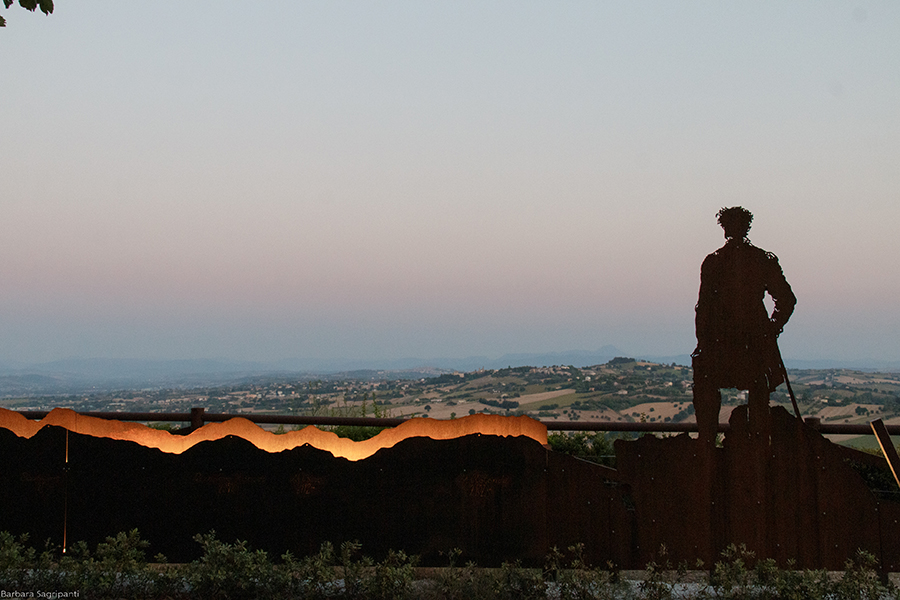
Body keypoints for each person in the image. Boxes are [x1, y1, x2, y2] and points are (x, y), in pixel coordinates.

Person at [692, 207, 796, 447]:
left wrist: (771, 328)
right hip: (749, 341)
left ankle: (707, 441)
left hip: (731, 341)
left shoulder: (715, 261)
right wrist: (772, 327)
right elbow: (786, 300)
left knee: (711, 383)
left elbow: (703, 308)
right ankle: (750, 442)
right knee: (754, 389)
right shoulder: (760, 260)